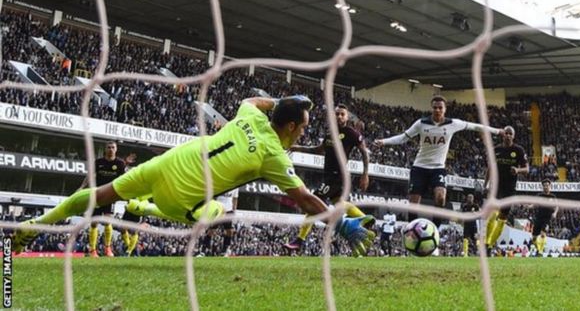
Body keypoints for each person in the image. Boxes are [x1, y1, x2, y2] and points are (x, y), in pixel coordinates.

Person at [12, 96, 376, 256]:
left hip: (166, 162)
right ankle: (144, 207)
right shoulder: (275, 157)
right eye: (303, 127)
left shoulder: (249, 116)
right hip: (181, 196)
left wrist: (280, 100)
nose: (304, 133)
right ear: (293, 126)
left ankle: (34, 225)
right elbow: (306, 201)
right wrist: (341, 224)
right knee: (216, 214)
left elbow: (251, 99)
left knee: (96, 195)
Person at [374, 96, 504, 227]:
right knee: (414, 203)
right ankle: (412, 230)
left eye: (440, 108)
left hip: (438, 168)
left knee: (441, 197)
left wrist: (498, 131)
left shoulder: (453, 124)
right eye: (435, 107)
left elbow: (476, 127)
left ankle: (435, 229)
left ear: (445, 109)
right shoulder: (421, 123)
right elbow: (403, 138)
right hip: (419, 167)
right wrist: (384, 142)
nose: (437, 110)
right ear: (432, 109)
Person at [284, 103, 370, 250]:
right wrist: (298, 148)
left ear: (347, 117)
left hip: (338, 176)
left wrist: (365, 174)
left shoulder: (351, 133)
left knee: (313, 202)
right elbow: (318, 150)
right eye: (336, 114)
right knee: (340, 204)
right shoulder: (330, 135)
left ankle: (299, 240)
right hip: (329, 176)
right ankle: (365, 221)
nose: (339, 116)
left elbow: (364, 152)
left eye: (342, 114)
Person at [77, 141, 127, 257]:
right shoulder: (99, 162)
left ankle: (108, 248)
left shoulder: (120, 164)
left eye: (113, 147)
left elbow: (124, 178)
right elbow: (90, 175)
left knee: (108, 221)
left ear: (116, 149)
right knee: (94, 223)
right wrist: (82, 187)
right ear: (105, 149)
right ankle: (92, 250)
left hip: (110, 194)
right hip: (97, 194)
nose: (110, 149)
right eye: (108, 147)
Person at [484, 125, 529, 252]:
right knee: (492, 214)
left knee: (503, 218)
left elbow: (527, 169)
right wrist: (485, 185)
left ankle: (491, 244)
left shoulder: (519, 150)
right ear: (503, 135)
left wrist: (518, 170)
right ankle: (486, 242)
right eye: (506, 133)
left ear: (513, 136)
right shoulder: (496, 150)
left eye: (510, 133)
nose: (508, 135)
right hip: (496, 187)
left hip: (510, 188)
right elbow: (490, 168)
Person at [531, 179, 558, 255]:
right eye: (544, 185)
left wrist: (555, 213)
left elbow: (556, 206)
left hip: (547, 218)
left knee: (543, 234)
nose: (546, 187)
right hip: (539, 217)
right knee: (534, 238)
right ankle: (538, 249)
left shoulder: (553, 196)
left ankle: (540, 251)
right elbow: (534, 203)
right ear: (542, 187)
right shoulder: (539, 195)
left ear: (550, 186)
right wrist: (530, 206)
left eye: (547, 185)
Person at [216, 188, 239, 257]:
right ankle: (204, 250)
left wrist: (234, 209)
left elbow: (235, 198)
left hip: (228, 210)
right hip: (217, 208)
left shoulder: (236, 186)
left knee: (229, 230)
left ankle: (225, 249)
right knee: (211, 230)